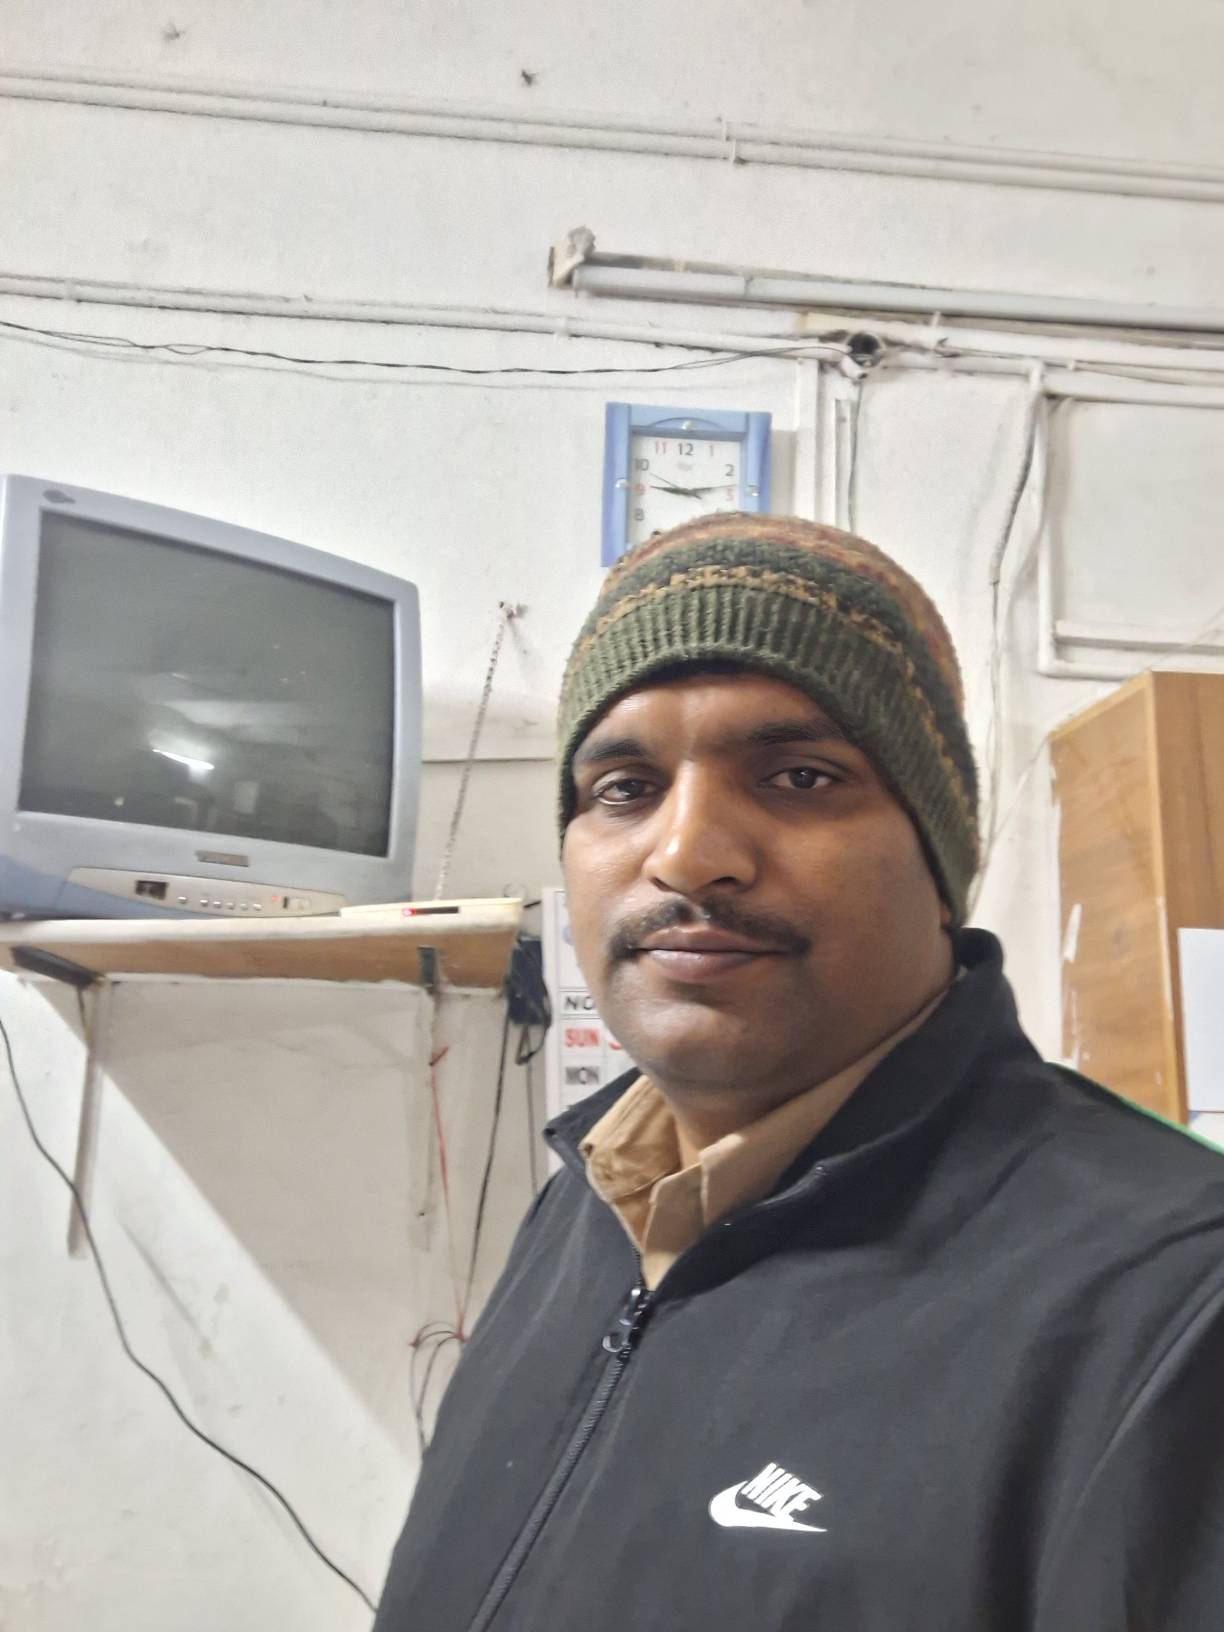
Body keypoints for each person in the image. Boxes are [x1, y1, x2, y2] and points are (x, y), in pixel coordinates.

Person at [374, 513, 1224, 1631]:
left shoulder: (1173, 1303)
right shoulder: (589, 1197)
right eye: (623, 787)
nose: (686, 855)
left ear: (941, 863)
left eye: (800, 776)